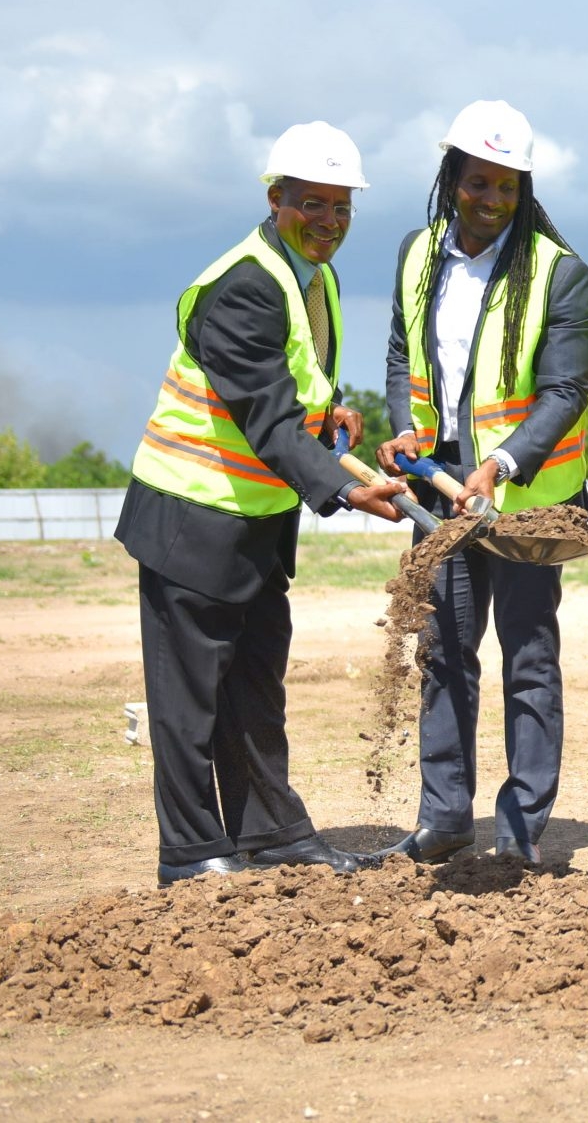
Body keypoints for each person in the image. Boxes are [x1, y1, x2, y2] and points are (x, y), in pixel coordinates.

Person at [117, 121, 406, 885]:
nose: (329, 221)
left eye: (341, 207)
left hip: (252, 519)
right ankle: (188, 852)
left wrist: (331, 411)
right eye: (312, 203)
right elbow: (265, 417)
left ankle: (271, 832)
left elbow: (292, 388)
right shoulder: (246, 283)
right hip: (193, 517)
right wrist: (345, 486)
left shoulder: (313, 276)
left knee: (252, 689)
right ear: (275, 199)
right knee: (188, 703)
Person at [375, 100, 588, 865]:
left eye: (507, 186)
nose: (491, 199)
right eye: (478, 182)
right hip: (443, 495)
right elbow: (404, 352)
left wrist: (499, 465)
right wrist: (406, 424)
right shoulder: (418, 252)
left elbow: (567, 393)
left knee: (529, 656)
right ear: (452, 177)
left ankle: (522, 828)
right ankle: (444, 817)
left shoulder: (560, 274)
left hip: (530, 504)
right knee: (445, 650)